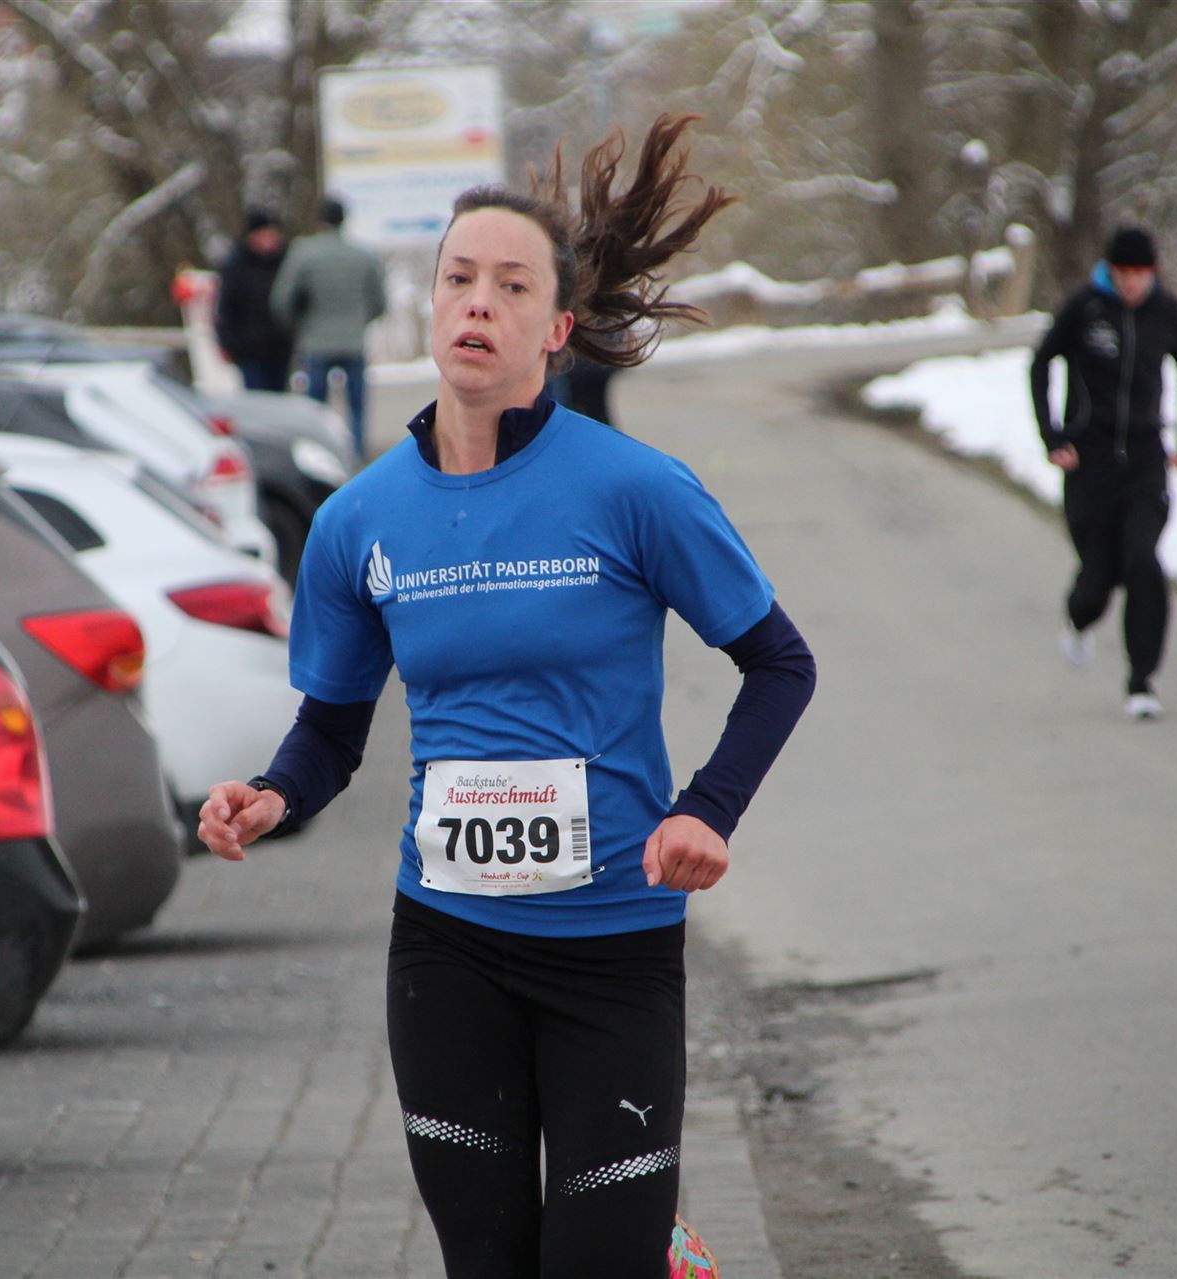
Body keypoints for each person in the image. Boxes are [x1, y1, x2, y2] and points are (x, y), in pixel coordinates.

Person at [200, 115, 816, 1278]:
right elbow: (332, 727)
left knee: (598, 1260)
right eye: (459, 279)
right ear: (429, 305)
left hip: (614, 948)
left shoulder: (635, 490)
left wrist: (707, 808)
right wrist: (275, 795)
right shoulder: (358, 521)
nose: (479, 302)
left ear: (558, 327)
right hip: (447, 953)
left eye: (512, 285)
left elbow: (782, 663)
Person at [1031, 225, 1177, 720]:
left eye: (1139, 274)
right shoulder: (1084, 308)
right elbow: (1040, 364)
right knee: (1098, 577)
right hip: (1090, 463)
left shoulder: (1167, 312)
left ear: (1153, 273)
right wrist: (1053, 438)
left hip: (1145, 462)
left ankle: (1141, 681)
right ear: (1110, 271)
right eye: (1122, 273)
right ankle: (1078, 618)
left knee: (1143, 562)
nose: (1130, 283)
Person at [271, 194, 387, 458]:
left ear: (319, 220)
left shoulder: (304, 254)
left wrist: (299, 326)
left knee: (316, 408)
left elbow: (282, 300)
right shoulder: (363, 255)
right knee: (357, 407)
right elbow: (380, 302)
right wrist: (359, 321)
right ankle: (356, 456)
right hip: (354, 341)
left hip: (315, 341)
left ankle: (321, 453)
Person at [215, 205, 294, 392]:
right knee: (256, 396)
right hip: (249, 348)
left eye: (273, 234)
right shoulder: (237, 265)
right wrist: (228, 342)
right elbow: (226, 306)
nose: (270, 240)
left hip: (280, 347)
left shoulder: (287, 262)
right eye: (264, 235)